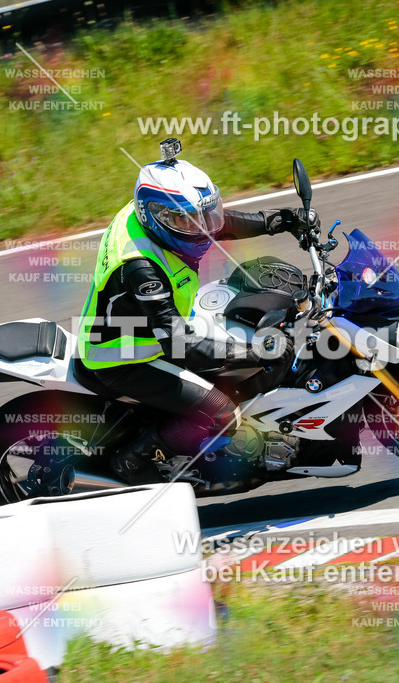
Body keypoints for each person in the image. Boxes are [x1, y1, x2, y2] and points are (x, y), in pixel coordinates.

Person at [76, 139, 319, 484]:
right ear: (160, 219)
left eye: (204, 214)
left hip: (155, 325)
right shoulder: (141, 270)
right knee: (221, 410)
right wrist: (252, 351)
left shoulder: (144, 213)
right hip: (125, 356)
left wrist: (277, 221)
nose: (201, 227)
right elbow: (181, 345)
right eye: (188, 221)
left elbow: (213, 222)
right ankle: (136, 460)